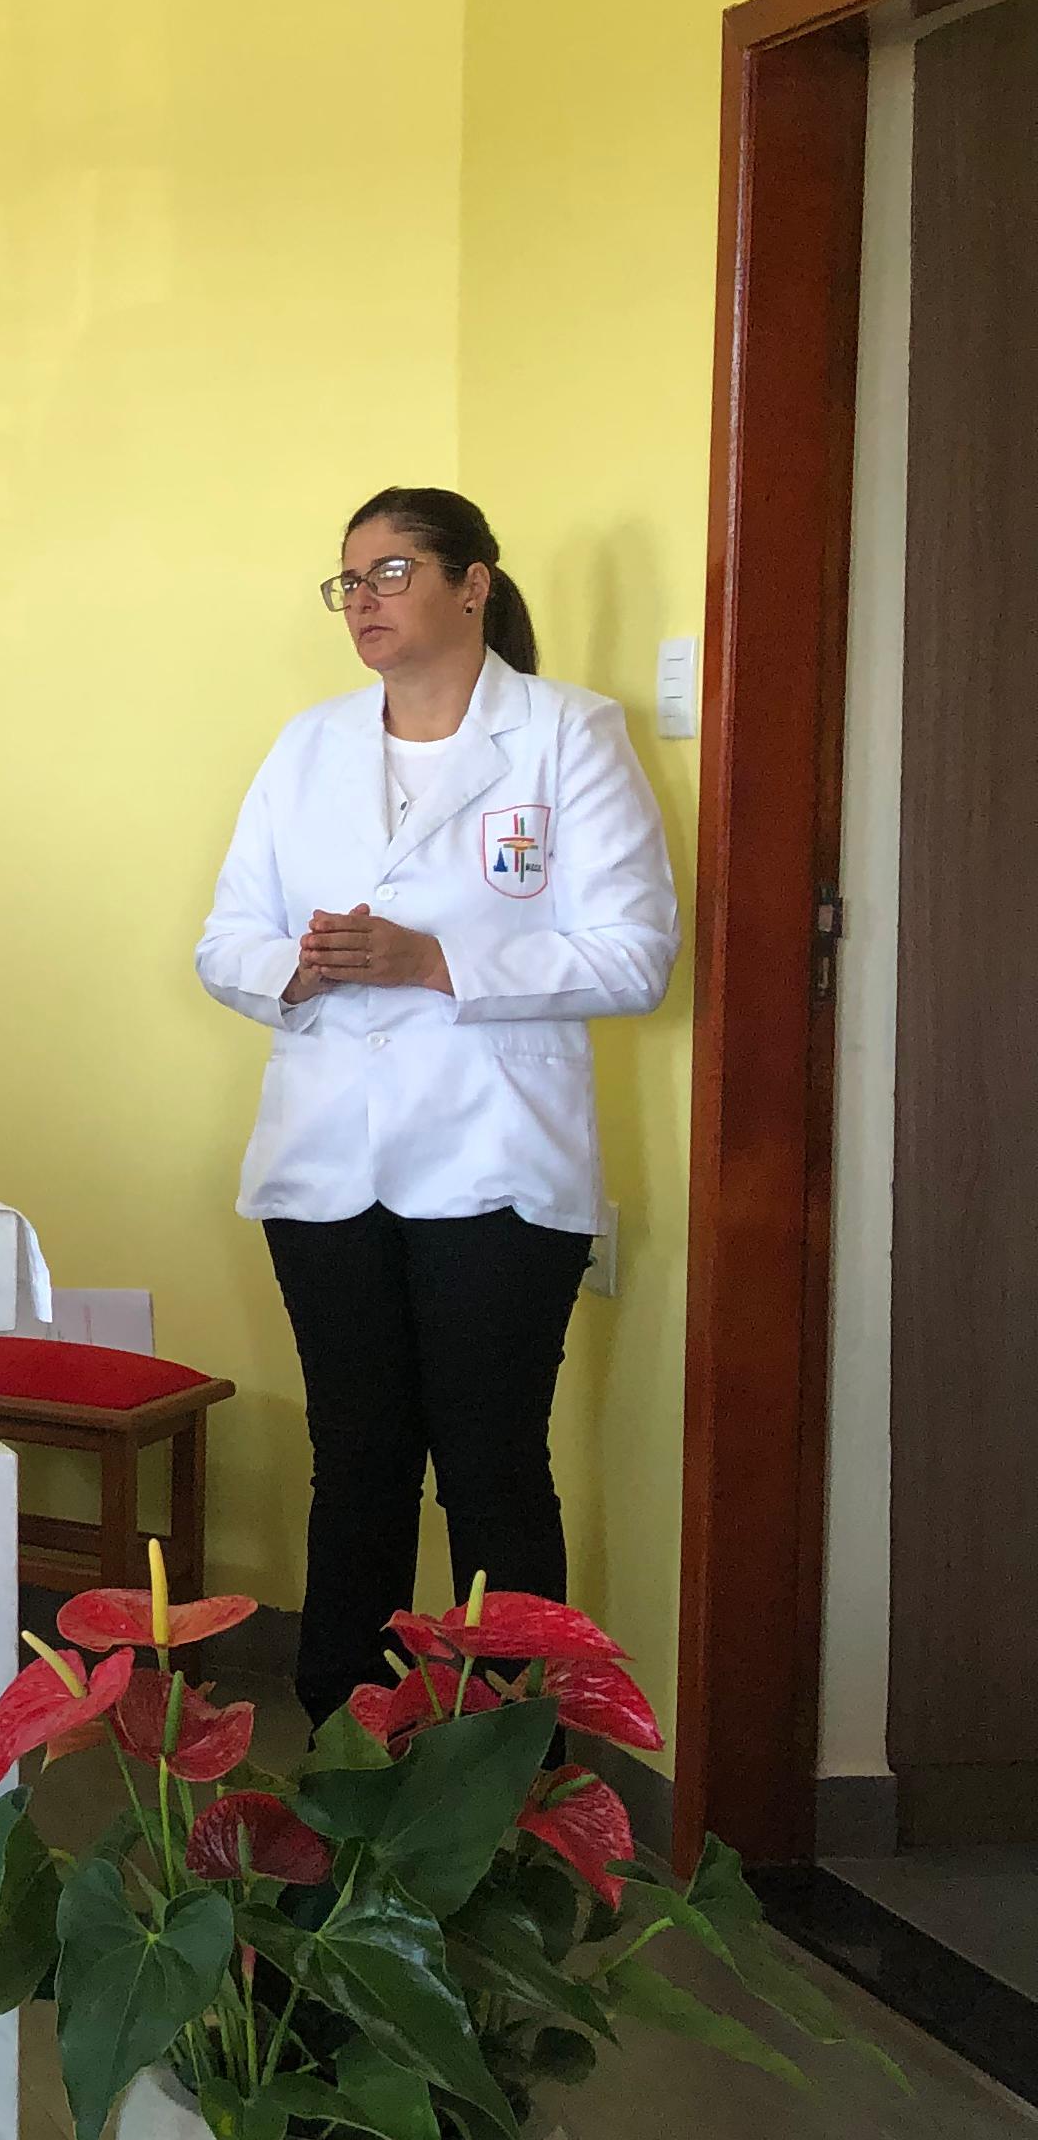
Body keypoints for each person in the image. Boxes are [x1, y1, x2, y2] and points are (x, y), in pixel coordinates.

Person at [194, 486, 679, 1727]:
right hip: (328, 1159)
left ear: (473, 586)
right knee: (356, 1461)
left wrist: (435, 962)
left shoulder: (568, 734)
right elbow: (225, 939)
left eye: (393, 572)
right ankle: (341, 1746)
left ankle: (511, 1758)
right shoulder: (307, 745)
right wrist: (297, 968)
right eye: (349, 581)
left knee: (491, 1468)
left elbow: (635, 955)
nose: (364, 600)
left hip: (496, 1158)